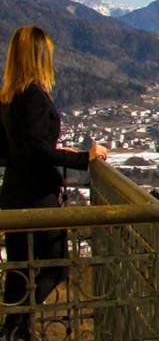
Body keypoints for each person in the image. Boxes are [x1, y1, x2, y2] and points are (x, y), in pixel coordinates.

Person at [0, 26, 108, 340]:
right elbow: (37, 151)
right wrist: (84, 158)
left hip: (14, 195)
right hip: (38, 196)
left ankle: (15, 331)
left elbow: (11, 150)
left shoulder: (8, 97)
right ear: (38, 56)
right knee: (54, 266)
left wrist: (54, 149)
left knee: (20, 271)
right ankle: (15, 327)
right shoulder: (33, 95)